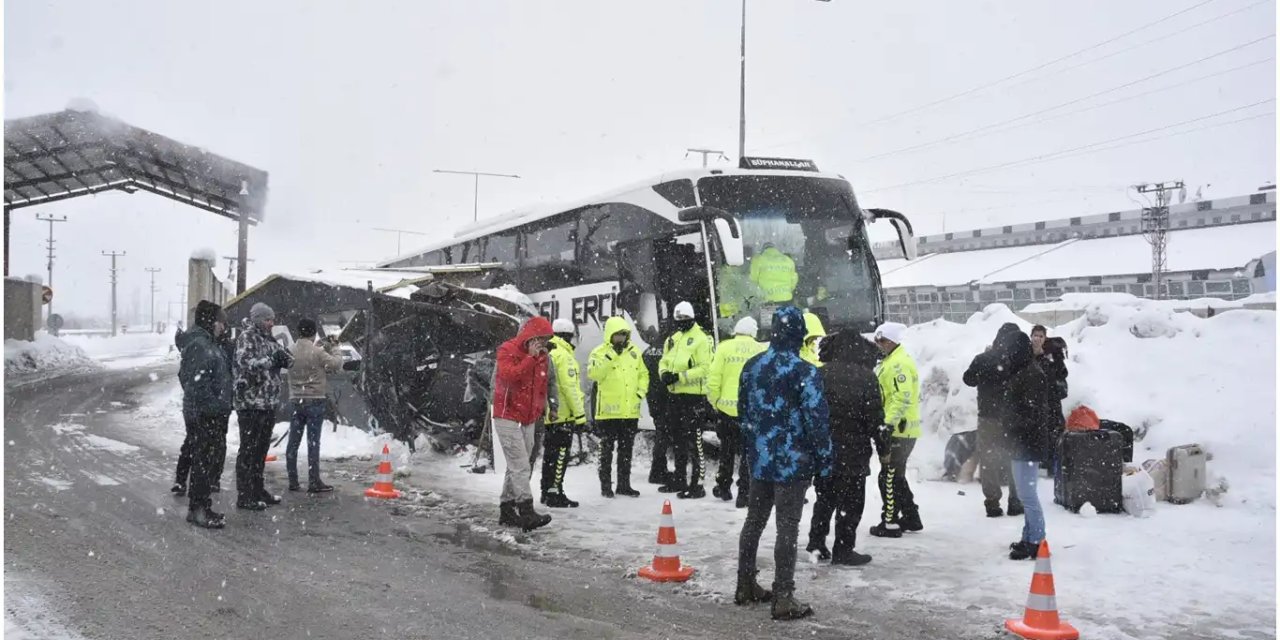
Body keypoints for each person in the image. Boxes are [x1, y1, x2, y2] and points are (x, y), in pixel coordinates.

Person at [735, 306, 831, 621]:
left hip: (760, 459)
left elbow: (743, 413)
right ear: (799, 334)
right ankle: (783, 596)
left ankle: (745, 584)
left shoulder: (751, 367)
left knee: (754, 522)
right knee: (787, 527)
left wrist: (754, 446)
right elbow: (817, 421)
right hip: (793, 462)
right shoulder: (805, 372)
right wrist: (825, 461)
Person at [806, 331, 881, 566]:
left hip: (824, 451)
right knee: (851, 503)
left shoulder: (819, 374)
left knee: (824, 498)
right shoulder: (867, 378)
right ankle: (843, 549)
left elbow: (809, 412)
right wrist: (884, 447)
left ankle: (816, 544)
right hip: (854, 452)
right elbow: (875, 419)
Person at [492, 316, 555, 532]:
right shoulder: (507, 350)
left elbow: (541, 385)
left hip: (528, 416)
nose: (542, 345)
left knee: (519, 463)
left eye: (545, 340)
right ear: (530, 337)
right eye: (539, 339)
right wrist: (529, 358)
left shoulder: (543, 357)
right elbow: (510, 376)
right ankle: (526, 509)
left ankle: (507, 509)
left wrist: (544, 408)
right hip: (506, 414)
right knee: (520, 464)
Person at [998, 330, 1054, 561]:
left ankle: (1036, 541)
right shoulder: (1024, 370)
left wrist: (1010, 423)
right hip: (1022, 442)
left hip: (1027, 443)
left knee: (1028, 495)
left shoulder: (1030, 374)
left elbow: (1033, 413)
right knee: (1024, 493)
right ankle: (1029, 535)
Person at [177, 301, 233, 529]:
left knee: (205, 460)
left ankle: (202, 506)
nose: (223, 326)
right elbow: (193, 381)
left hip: (206, 411)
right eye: (221, 321)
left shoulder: (207, 343)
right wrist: (213, 406)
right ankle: (198, 509)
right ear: (211, 321)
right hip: (203, 413)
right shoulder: (200, 345)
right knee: (202, 461)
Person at [233, 303, 293, 511]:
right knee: (248, 450)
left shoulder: (269, 338)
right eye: (268, 319)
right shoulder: (247, 337)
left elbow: (285, 358)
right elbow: (245, 362)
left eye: (272, 319)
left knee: (260, 450)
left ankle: (258, 489)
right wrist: (269, 360)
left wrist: (285, 359)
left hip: (267, 402)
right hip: (251, 402)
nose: (271, 323)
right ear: (258, 319)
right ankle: (245, 494)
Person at [963, 322, 1023, 518]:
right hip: (1013, 419)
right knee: (1014, 459)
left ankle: (992, 503)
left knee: (988, 459)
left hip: (988, 417)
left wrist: (984, 366)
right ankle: (1015, 501)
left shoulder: (984, 358)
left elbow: (968, 379)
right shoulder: (1019, 361)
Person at [869, 322, 922, 539]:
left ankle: (889, 521)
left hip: (899, 429)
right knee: (896, 476)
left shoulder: (898, 364)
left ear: (891, 341)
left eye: (881, 341)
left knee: (888, 476)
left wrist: (887, 424)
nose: (878, 345)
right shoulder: (892, 361)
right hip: (900, 428)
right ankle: (910, 515)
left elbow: (901, 397)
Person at [706, 316, 766, 507]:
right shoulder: (761, 349)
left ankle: (723, 487)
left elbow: (713, 379)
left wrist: (715, 402)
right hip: (750, 412)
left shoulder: (724, 347)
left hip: (726, 409)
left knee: (727, 450)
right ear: (753, 332)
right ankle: (744, 493)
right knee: (748, 453)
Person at [657, 301, 713, 499]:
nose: (681, 323)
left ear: (692, 318)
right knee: (677, 439)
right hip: (675, 396)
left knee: (694, 441)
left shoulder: (701, 339)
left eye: (685, 320)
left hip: (693, 397)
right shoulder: (673, 339)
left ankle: (697, 484)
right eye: (678, 320)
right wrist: (664, 373)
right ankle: (679, 478)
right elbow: (664, 360)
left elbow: (705, 368)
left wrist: (680, 376)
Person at [589, 316, 648, 498]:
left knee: (626, 451)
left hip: (629, 412)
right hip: (607, 413)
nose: (621, 338)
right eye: (618, 335)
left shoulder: (634, 352)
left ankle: (624, 485)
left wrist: (640, 393)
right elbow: (594, 374)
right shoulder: (599, 352)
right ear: (610, 335)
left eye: (624, 334)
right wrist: (611, 355)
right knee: (606, 451)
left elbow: (643, 374)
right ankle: (605, 486)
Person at [285, 318, 343, 493]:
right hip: (315, 400)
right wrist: (334, 347)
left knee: (293, 442)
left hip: (296, 400)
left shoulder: (289, 350)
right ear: (314, 332)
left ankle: (293, 480)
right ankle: (314, 481)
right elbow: (336, 364)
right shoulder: (317, 352)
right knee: (313, 442)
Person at [540, 319, 586, 508]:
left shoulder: (548, 352)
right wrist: (580, 415)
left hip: (549, 413)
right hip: (563, 414)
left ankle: (546, 491)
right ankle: (556, 493)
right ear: (568, 335)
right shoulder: (564, 356)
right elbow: (569, 388)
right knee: (560, 455)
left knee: (549, 455)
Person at [641, 328, 674, 486]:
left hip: (653, 397)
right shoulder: (669, 349)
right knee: (664, 435)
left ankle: (659, 469)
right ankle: (657, 471)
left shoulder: (648, 351)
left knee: (661, 434)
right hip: (665, 396)